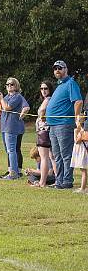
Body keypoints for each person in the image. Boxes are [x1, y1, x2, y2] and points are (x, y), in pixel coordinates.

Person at [46, 60, 83, 190]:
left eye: (60, 68)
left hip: (64, 124)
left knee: (66, 154)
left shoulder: (71, 83)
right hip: (53, 125)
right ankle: (59, 180)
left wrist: (76, 119)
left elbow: (78, 101)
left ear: (65, 69)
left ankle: (67, 181)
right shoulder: (60, 85)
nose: (57, 70)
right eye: (55, 68)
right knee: (57, 155)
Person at [0, 77, 30, 180]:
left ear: (16, 86)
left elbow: (7, 107)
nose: (9, 86)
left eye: (12, 84)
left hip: (12, 127)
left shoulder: (17, 97)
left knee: (12, 150)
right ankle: (12, 171)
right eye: (7, 84)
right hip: (5, 127)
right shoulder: (6, 97)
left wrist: (1, 98)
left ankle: (14, 173)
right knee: (9, 150)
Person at [33, 81, 57, 188]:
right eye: (41, 88)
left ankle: (42, 182)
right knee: (52, 157)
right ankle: (58, 180)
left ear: (50, 89)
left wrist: (42, 115)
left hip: (44, 130)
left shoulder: (48, 99)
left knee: (44, 157)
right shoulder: (53, 99)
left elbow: (42, 110)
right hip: (49, 130)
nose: (43, 91)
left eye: (46, 88)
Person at [70, 121, 88, 194]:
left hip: (82, 154)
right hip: (85, 153)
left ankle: (83, 188)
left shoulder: (82, 133)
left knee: (83, 171)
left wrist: (75, 133)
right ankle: (82, 187)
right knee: (84, 171)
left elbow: (76, 141)